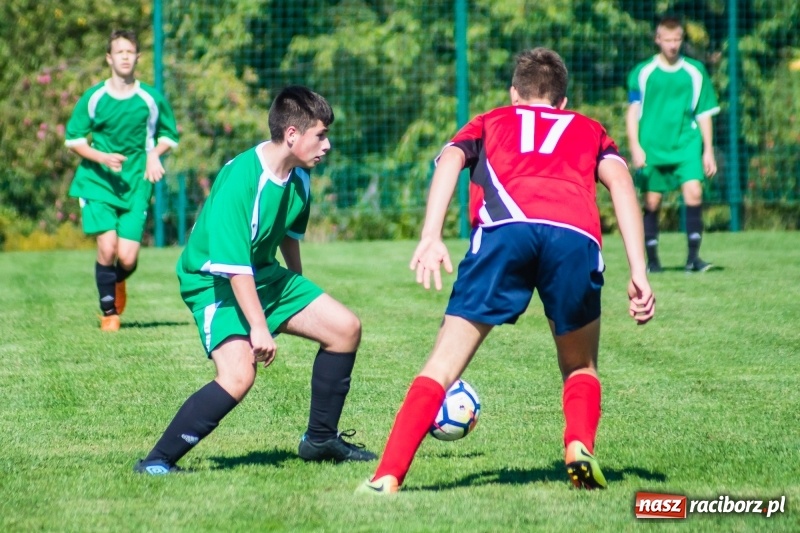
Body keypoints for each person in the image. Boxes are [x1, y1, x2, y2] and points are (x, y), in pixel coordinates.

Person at [356, 48, 655, 494]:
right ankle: (577, 444)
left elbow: (450, 160)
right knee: (579, 365)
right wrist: (639, 269)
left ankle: (387, 476)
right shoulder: (589, 129)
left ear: (515, 94)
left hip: (506, 232)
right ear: (563, 101)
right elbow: (621, 181)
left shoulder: (491, 120)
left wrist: (431, 233)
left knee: (442, 364)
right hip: (573, 236)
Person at [134, 86, 377, 475]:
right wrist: (260, 328)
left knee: (345, 328)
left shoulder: (300, 177)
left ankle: (320, 440)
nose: (327, 145)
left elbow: (287, 236)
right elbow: (234, 268)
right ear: (293, 135)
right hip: (212, 281)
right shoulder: (241, 181)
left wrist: (300, 291)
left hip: (263, 273)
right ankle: (156, 462)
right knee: (238, 376)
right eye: (321, 135)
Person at [65, 30, 180, 331]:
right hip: (98, 181)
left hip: (136, 184)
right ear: (109, 58)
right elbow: (73, 139)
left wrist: (154, 153)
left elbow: (169, 135)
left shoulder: (150, 98)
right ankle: (109, 313)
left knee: (127, 258)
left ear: (137, 57)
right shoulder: (94, 97)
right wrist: (101, 157)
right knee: (107, 247)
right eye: (120, 52)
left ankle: (116, 283)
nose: (125, 57)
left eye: (130, 52)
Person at [626, 16, 720, 273]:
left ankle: (693, 259)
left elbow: (704, 113)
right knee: (652, 202)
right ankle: (653, 262)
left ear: (682, 39)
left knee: (694, 193)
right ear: (658, 40)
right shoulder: (643, 72)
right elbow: (633, 111)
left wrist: (708, 150)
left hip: (686, 145)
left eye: (677, 39)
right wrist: (635, 145)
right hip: (652, 146)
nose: (672, 45)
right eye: (667, 40)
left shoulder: (695, 71)